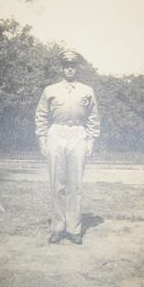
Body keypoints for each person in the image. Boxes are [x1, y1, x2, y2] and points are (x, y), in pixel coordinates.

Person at [35, 50, 100, 245]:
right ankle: (57, 227)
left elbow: (93, 117)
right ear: (62, 68)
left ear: (78, 68)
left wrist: (91, 140)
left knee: (75, 184)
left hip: (78, 134)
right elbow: (41, 115)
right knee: (58, 184)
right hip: (56, 133)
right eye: (66, 65)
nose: (70, 68)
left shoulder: (87, 90)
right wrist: (42, 138)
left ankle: (74, 229)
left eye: (73, 65)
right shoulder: (50, 90)